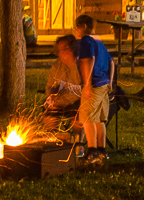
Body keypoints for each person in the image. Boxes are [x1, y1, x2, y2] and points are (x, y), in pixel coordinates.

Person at [72, 12, 114, 154]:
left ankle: (92, 152)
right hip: (104, 84)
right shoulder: (99, 41)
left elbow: (88, 60)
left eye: (76, 28)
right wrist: (111, 83)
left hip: (95, 84)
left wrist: (88, 84)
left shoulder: (86, 41)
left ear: (83, 26)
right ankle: (102, 151)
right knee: (99, 120)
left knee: (88, 118)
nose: (76, 31)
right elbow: (111, 62)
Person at [42, 35, 83, 120]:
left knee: (77, 110)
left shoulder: (81, 65)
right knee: (47, 110)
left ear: (73, 49)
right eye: (60, 50)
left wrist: (66, 87)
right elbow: (50, 87)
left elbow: (85, 89)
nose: (62, 53)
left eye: (65, 49)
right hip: (60, 101)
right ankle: (51, 133)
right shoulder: (57, 66)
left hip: (78, 101)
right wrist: (51, 98)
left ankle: (77, 133)